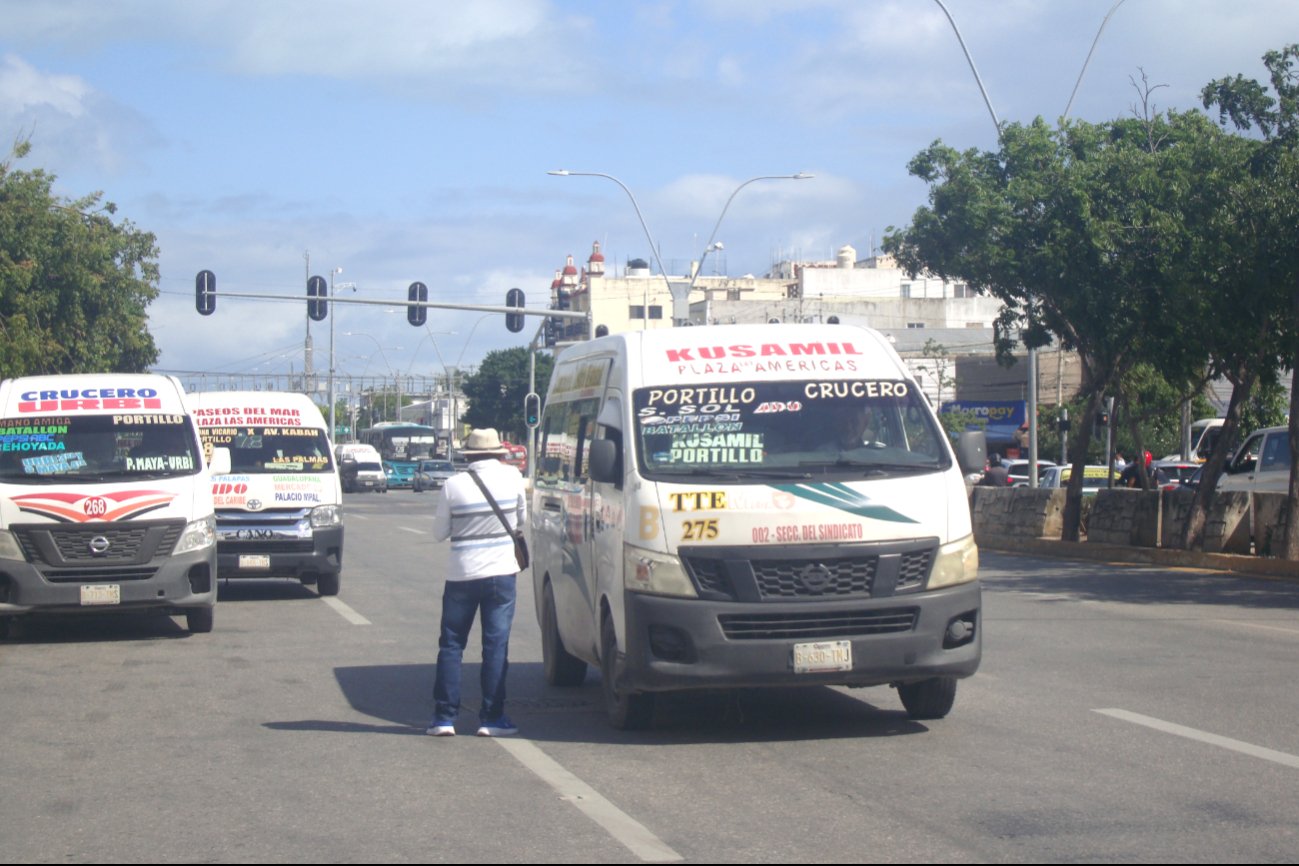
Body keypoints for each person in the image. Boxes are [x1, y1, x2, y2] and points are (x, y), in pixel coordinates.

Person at [427, 428, 527, 738]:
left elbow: (439, 533)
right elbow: (521, 520)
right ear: (499, 452)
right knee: (495, 645)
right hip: (501, 574)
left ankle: (444, 718)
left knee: (452, 645)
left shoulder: (453, 485)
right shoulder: (513, 478)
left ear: (469, 455)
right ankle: (492, 718)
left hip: (461, 575)